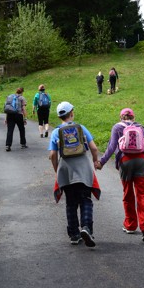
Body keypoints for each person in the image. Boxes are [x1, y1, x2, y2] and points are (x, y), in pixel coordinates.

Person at [49, 101, 101, 247]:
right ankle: (86, 228)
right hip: (83, 169)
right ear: (71, 113)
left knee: (71, 203)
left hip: (66, 171)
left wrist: (57, 169)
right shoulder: (81, 128)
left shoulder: (55, 132)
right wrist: (95, 161)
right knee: (85, 199)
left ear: (60, 117)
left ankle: (74, 234)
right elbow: (94, 148)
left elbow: (53, 154)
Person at [97, 108, 144, 241]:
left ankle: (130, 225)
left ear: (121, 117)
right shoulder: (140, 127)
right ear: (133, 117)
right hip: (141, 161)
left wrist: (102, 162)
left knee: (128, 194)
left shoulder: (117, 127)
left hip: (125, 161)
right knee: (143, 194)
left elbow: (111, 146)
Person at [4, 87, 27, 151]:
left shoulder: (10, 97)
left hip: (10, 115)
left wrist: (6, 118)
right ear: (22, 92)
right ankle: (23, 144)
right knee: (21, 129)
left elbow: (8, 109)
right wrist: (25, 118)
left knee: (10, 130)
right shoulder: (22, 98)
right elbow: (24, 109)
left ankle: (8, 145)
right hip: (18, 115)